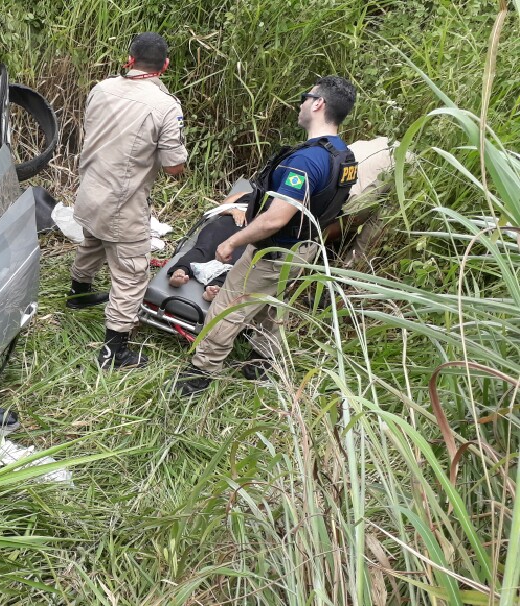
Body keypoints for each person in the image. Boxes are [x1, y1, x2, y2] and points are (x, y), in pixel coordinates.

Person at [175, 75, 358, 395]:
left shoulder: (306, 160)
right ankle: (262, 360)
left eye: (306, 96)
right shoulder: (345, 156)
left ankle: (201, 373)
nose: (300, 103)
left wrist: (233, 240)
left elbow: (276, 218)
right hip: (305, 248)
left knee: (229, 307)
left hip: (273, 251)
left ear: (318, 104)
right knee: (275, 304)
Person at [67, 32, 188, 369]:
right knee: (132, 274)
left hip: (90, 191)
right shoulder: (165, 105)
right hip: (122, 203)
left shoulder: (102, 87)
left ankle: (78, 293)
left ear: (130, 59)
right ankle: (114, 352)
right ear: (165, 65)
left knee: (93, 239)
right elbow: (174, 166)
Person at [167, 199, 248, 301]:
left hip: (249, 233)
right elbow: (221, 207)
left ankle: (215, 286)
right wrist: (233, 210)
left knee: (238, 259)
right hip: (227, 222)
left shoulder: (274, 205)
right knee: (204, 248)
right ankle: (180, 272)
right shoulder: (246, 194)